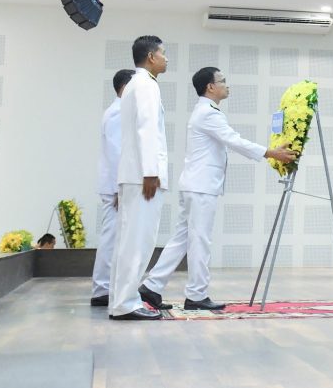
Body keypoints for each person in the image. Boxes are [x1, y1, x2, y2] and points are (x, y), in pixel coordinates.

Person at [139, 67, 295, 310]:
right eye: (222, 81)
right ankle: (196, 295)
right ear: (210, 87)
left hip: (195, 185)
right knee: (199, 241)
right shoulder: (209, 114)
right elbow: (234, 140)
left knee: (182, 239)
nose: (226, 85)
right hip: (201, 187)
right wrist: (271, 153)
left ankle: (151, 287)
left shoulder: (205, 111)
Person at [108, 35, 169, 321]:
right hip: (142, 176)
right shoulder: (146, 84)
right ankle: (126, 304)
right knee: (138, 244)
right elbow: (147, 129)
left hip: (133, 175)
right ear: (151, 57)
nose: (166, 59)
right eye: (163, 53)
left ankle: (120, 301)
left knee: (128, 244)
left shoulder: (136, 83)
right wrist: (151, 173)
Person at [90, 68, 135, 307]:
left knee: (116, 238)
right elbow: (118, 152)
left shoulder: (119, 111)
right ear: (125, 88)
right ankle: (102, 289)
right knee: (112, 237)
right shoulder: (118, 112)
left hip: (118, 185)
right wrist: (120, 187)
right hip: (116, 187)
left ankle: (106, 287)